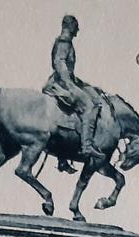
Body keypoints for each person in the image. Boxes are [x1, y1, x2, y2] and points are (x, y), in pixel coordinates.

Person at [42, 15, 105, 159]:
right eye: (76, 26)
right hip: (61, 84)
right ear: (70, 26)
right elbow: (60, 64)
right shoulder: (64, 42)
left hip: (66, 80)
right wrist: (69, 84)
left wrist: (83, 84)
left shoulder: (66, 42)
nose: (78, 30)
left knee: (96, 97)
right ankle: (86, 146)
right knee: (89, 106)